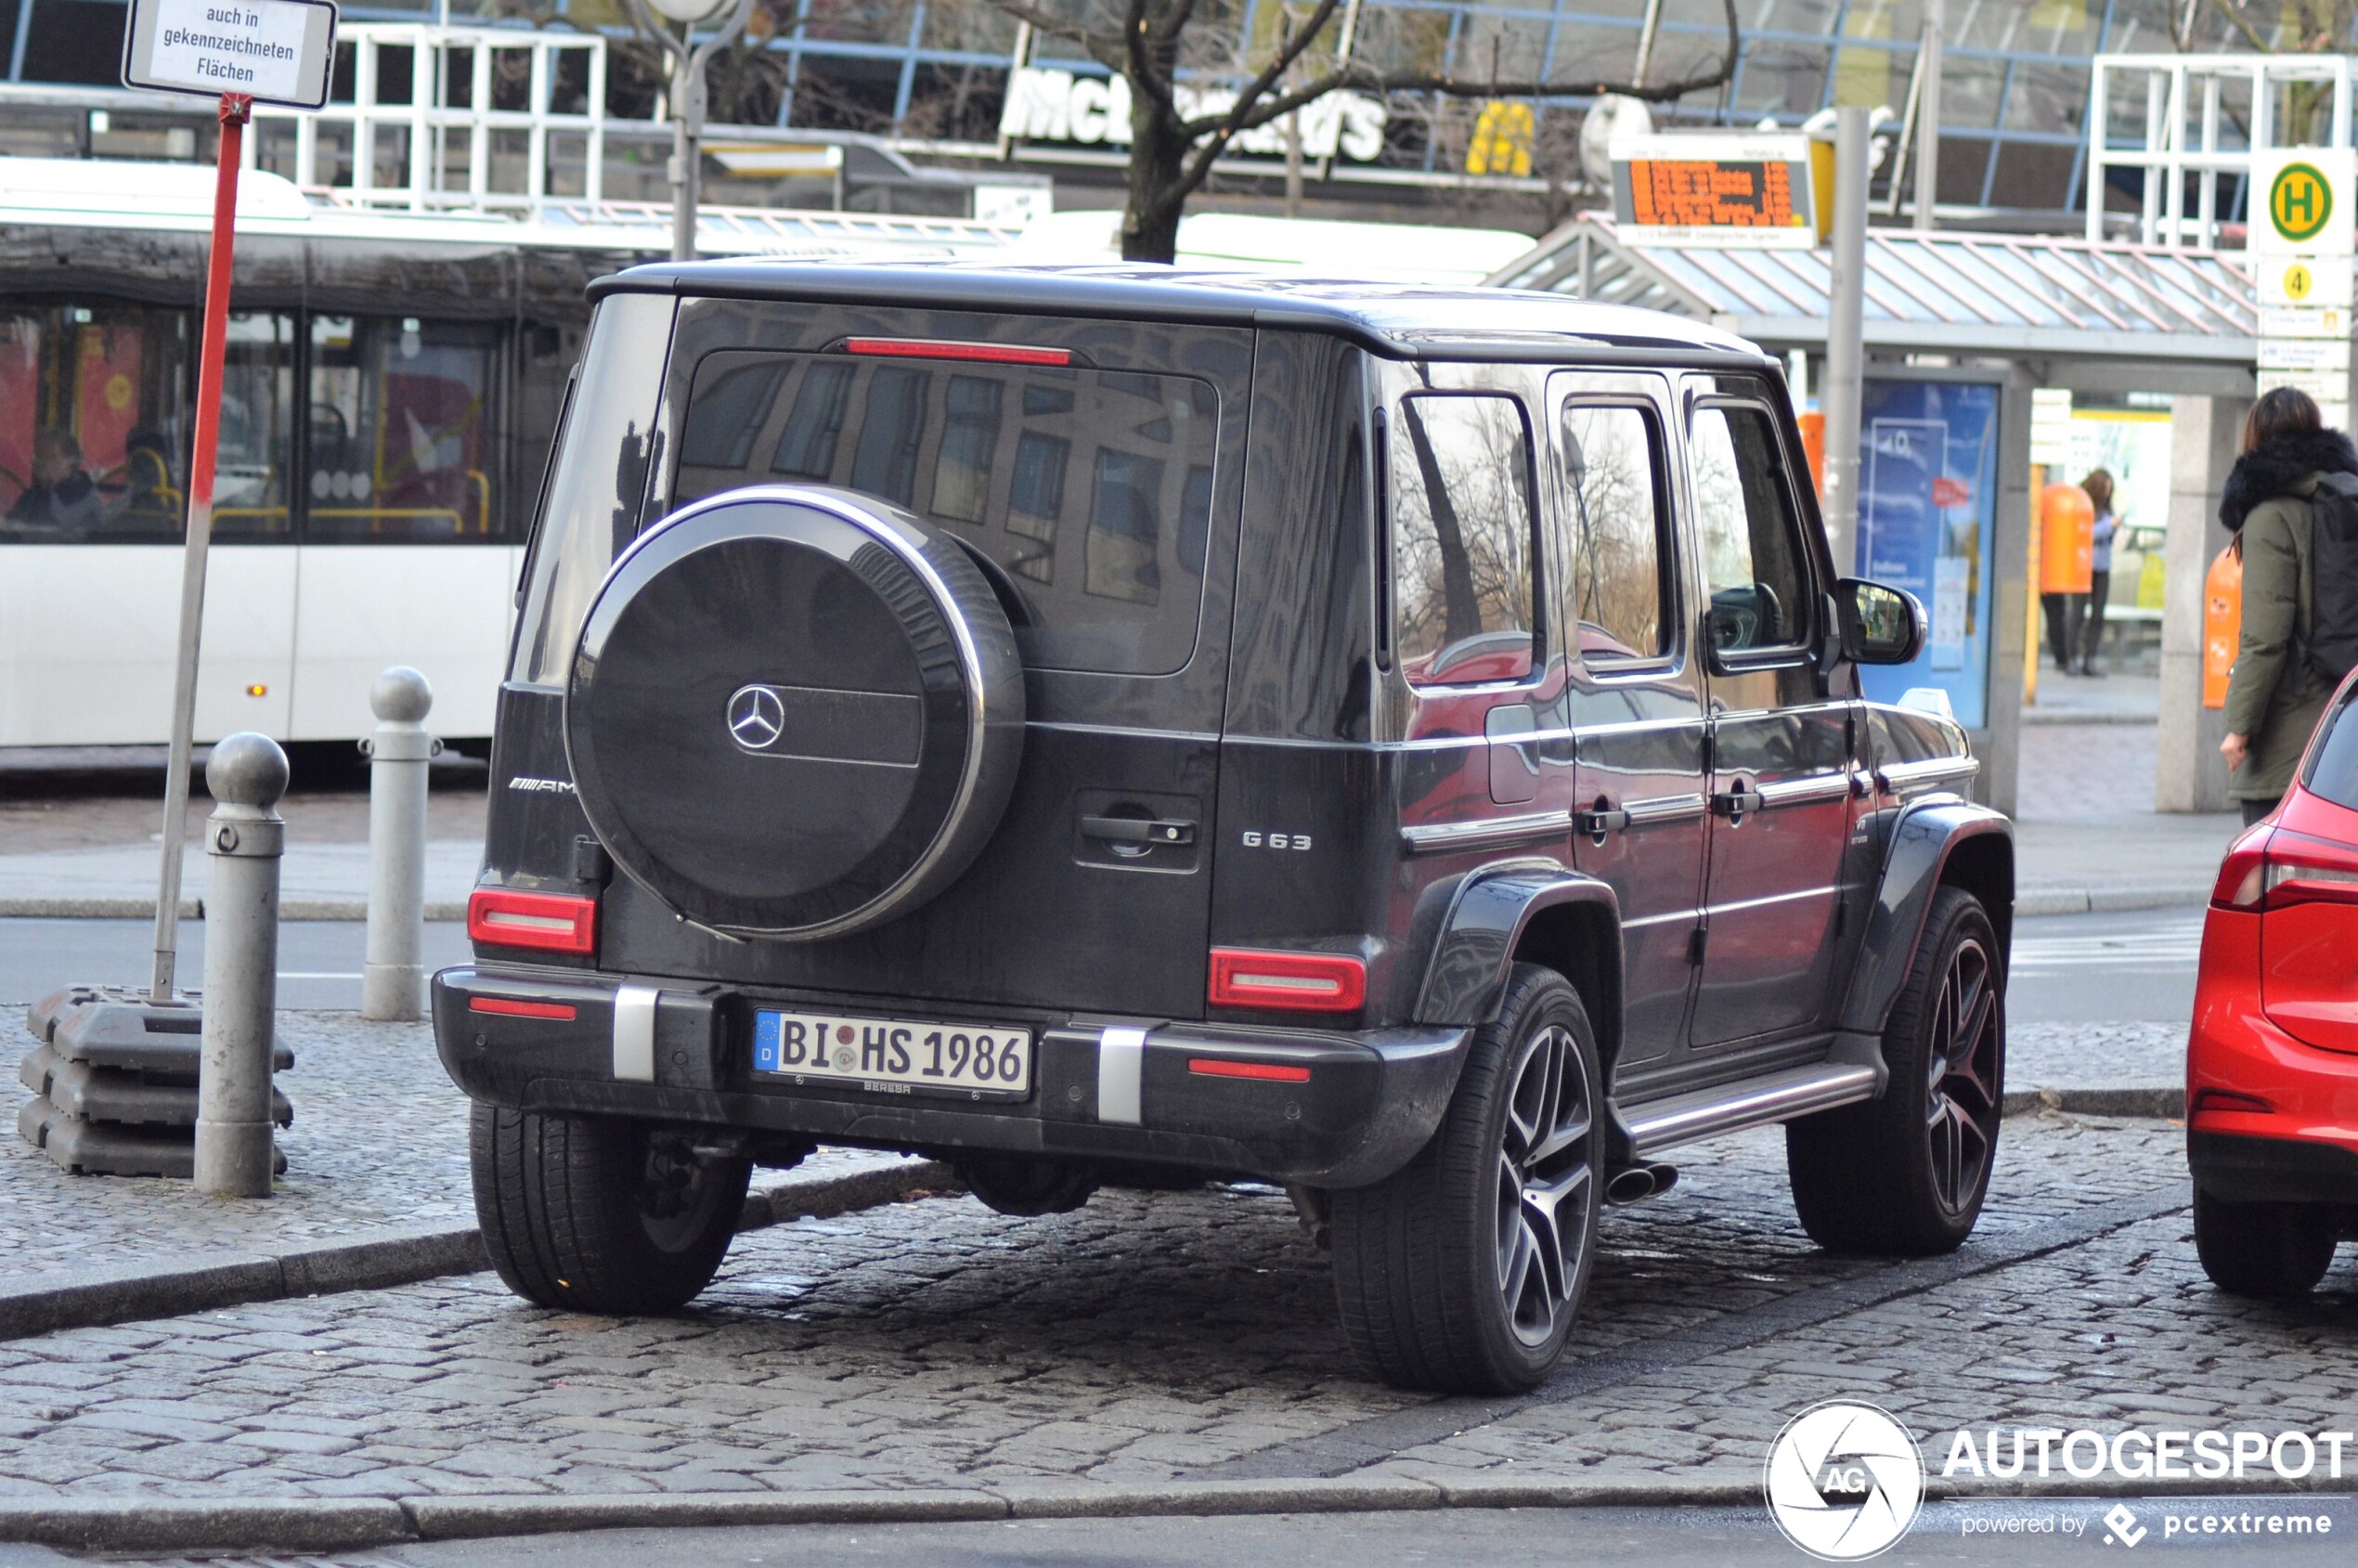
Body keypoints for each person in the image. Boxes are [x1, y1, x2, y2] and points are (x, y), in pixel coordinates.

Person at [2217, 388, 2358, 824]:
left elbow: (2265, 637)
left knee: (2271, 877)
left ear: (2255, 437)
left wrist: (2239, 727)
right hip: (2344, 718)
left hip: (2292, 731)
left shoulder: (2270, 517)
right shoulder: (2344, 505)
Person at [4, 426, 102, 534]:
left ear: (71, 463)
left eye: (51, 457)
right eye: (39, 456)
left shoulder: (82, 494)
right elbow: (10, 528)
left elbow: (62, 535)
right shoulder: (35, 493)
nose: (42, 463)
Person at [2074, 468, 2118, 676]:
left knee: (2098, 615)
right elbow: (2086, 534)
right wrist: (2109, 526)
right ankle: (2071, 657)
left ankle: (2089, 658)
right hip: (2084, 566)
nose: (2108, 493)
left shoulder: (2107, 508)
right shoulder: (2083, 504)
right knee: (2077, 613)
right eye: (2106, 488)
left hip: (2103, 567)